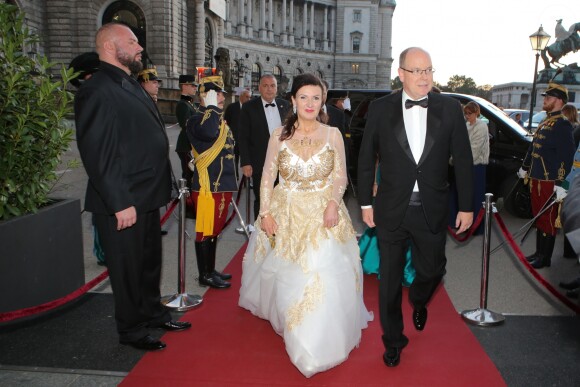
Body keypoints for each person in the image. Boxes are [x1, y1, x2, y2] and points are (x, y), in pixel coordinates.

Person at [239, 73, 372, 378]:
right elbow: (266, 177)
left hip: (323, 213)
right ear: (293, 100)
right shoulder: (279, 136)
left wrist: (331, 204)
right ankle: (294, 329)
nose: (310, 103)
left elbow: (340, 177)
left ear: (322, 101)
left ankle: (316, 343)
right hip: (286, 213)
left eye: (316, 98)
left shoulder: (333, 134)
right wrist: (266, 213)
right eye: (304, 97)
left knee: (322, 273)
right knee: (289, 274)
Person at [74, 22, 190, 352]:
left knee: (149, 262)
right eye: (133, 41)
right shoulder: (96, 89)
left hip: (147, 196)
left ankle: (152, 312)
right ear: (111, 46)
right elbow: (97, 152)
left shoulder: (128, 82)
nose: (140, 47)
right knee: (126, 270)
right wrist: (119, 201)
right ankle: (132, 329)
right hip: (123, 202)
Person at [358, 47, 474, 368]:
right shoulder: (381, 109)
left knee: (432, 269)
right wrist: (366, 202)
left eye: (428, 70)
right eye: (417, 71)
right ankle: (393, 341)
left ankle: (420, 299)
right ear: (401, 74)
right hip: (391, 209)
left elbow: (463, 159)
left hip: (432, 207)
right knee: (390, 282)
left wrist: (466, 206)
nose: (424, 77)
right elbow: (366, 157)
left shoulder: (450, 108)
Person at [186, 75, 237, 289]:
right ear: (206, 96)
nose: (223, 97)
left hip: (222, 185)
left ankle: (211, 269)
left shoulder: (217, 119)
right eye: (218, 93)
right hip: (207, 186)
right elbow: (207, 134)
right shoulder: (197, 119)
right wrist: (212, 109)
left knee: (214, 229)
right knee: (205, 230)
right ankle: (204, 275)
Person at [519, 82, 575, 269]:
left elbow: (566, 157)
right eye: (545, 97)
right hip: (536, 178)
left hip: (550, 181)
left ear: (559, 101)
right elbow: (533, 147)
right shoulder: (545, 122)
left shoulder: (562, 125)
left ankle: (545, 258)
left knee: (548, 219)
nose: (545, 100)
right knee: (538, 217)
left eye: (549, 98)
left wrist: (562, 183)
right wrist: (525, 167)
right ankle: (538, 252)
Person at [238, 74, 290, 220]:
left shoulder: (285, 106)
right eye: (265, 86)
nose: (269, 89)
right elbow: (243, 137)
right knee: (262, 200)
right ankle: (260, 234)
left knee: (283, 200)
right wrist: (246, 162)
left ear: (277, 89)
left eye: (272, 86)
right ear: (259, 88)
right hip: (259, 162)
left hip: (284, 163)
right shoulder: (249, 108)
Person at [358, 162, 416, 286]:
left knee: (409, 220)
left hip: (413, 178)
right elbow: (377, 157)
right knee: (385, 220)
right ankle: (384, 264)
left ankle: (408, 268)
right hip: (387, 176)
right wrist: (374, 182)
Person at [450, 101, 489, 234]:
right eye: (466, 114)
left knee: (476, 197)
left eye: (470, 114)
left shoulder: (482, 126)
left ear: (476, 113)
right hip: (464, 165)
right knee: (461, 196)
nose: (467, 116)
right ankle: (459, 223)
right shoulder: (466, 125)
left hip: (477, 166)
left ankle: (476, 228)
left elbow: (474, 150)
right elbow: (459, 146)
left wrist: (456, 161)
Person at [175, 74, 198, 191]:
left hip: (190, 145)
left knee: (192, 174)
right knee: (188, 175)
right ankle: (187, 205)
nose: (195, 88)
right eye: (192, 85)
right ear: (184, 86)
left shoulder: (189, 104)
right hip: (186, 146)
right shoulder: (182, 105)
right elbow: (187, 125)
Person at [224, 88, 252, 167]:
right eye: (247, 97)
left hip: (247, 140)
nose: (249, 99)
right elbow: (226, 122)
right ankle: (235, 176)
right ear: (241, 96)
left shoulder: (251, 109)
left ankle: (246, 178)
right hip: (234, 139)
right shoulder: (232, 107)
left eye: (250, 97)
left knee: (247, 161)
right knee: (233, 160)